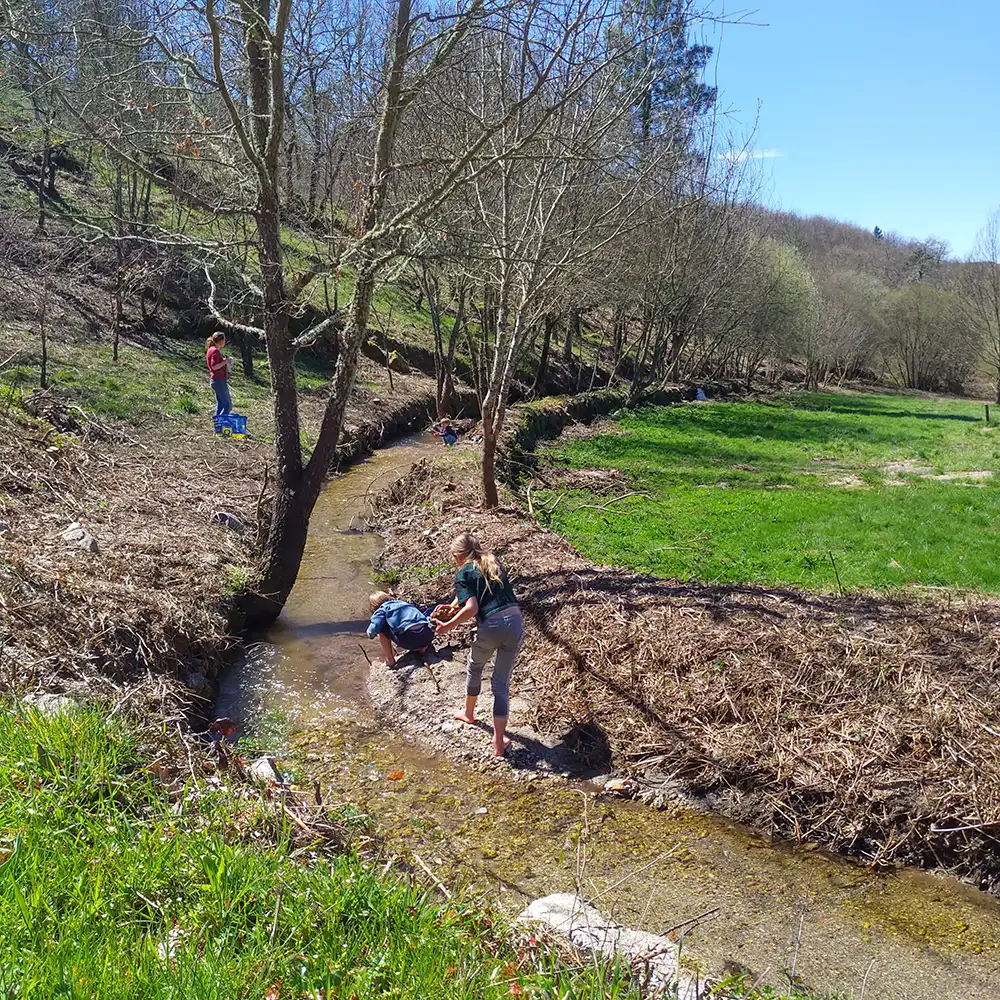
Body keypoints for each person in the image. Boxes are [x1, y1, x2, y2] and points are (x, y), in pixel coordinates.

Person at [434, 532, 522, 757]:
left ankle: (469, 714)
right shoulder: (492, 561)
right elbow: (479, 591)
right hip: (515, 622)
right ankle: (499, 741)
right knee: (501, 684)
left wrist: (448, 626)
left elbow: (472, 607)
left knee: (475, 667)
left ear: (458, 556)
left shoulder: (462, 572)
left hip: (491, 625)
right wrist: (453, 605)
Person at [366, 591, 435, 668]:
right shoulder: (402, 603)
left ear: (374, 607)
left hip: (410, 640)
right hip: (428, 635)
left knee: (381, 628)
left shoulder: (382, 609)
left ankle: (390, 660)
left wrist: (370, 634)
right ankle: (423, 647)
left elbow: (374, 628)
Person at [206, 332, 233, 418]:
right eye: (224, 340)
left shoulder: (211, 349)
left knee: (220, 404)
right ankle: (221, 424)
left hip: (215, 380)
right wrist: (225, 362)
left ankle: (217, 426)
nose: (225, 341)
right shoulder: (215, 351)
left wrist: (224, 360)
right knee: (227, 405)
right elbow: (214, 366)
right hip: (219, 381)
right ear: (221, 341)